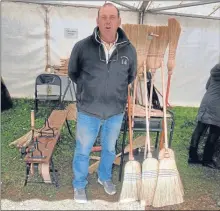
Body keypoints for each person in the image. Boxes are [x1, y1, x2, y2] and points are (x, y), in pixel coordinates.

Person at [68, 3, 137, 203]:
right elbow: (73, 73)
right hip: (88, 110)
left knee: (109, 149)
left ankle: (104, 177)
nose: (108, 21)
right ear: (97, 21)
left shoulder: (129, 50)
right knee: (83, 149)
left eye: (112, 17)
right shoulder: (82, 47)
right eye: (104, 17)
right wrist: (88, 92)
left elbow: (130, 77)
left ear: (119, 21)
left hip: (115, 111)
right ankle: (79, 185)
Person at [188, 63, 220, 168]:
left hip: (206, 101)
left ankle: (192, 157)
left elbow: (207, 86)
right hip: (217, 104)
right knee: (215, 131)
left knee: (200, 129)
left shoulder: (215, 71)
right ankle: (207, 160)